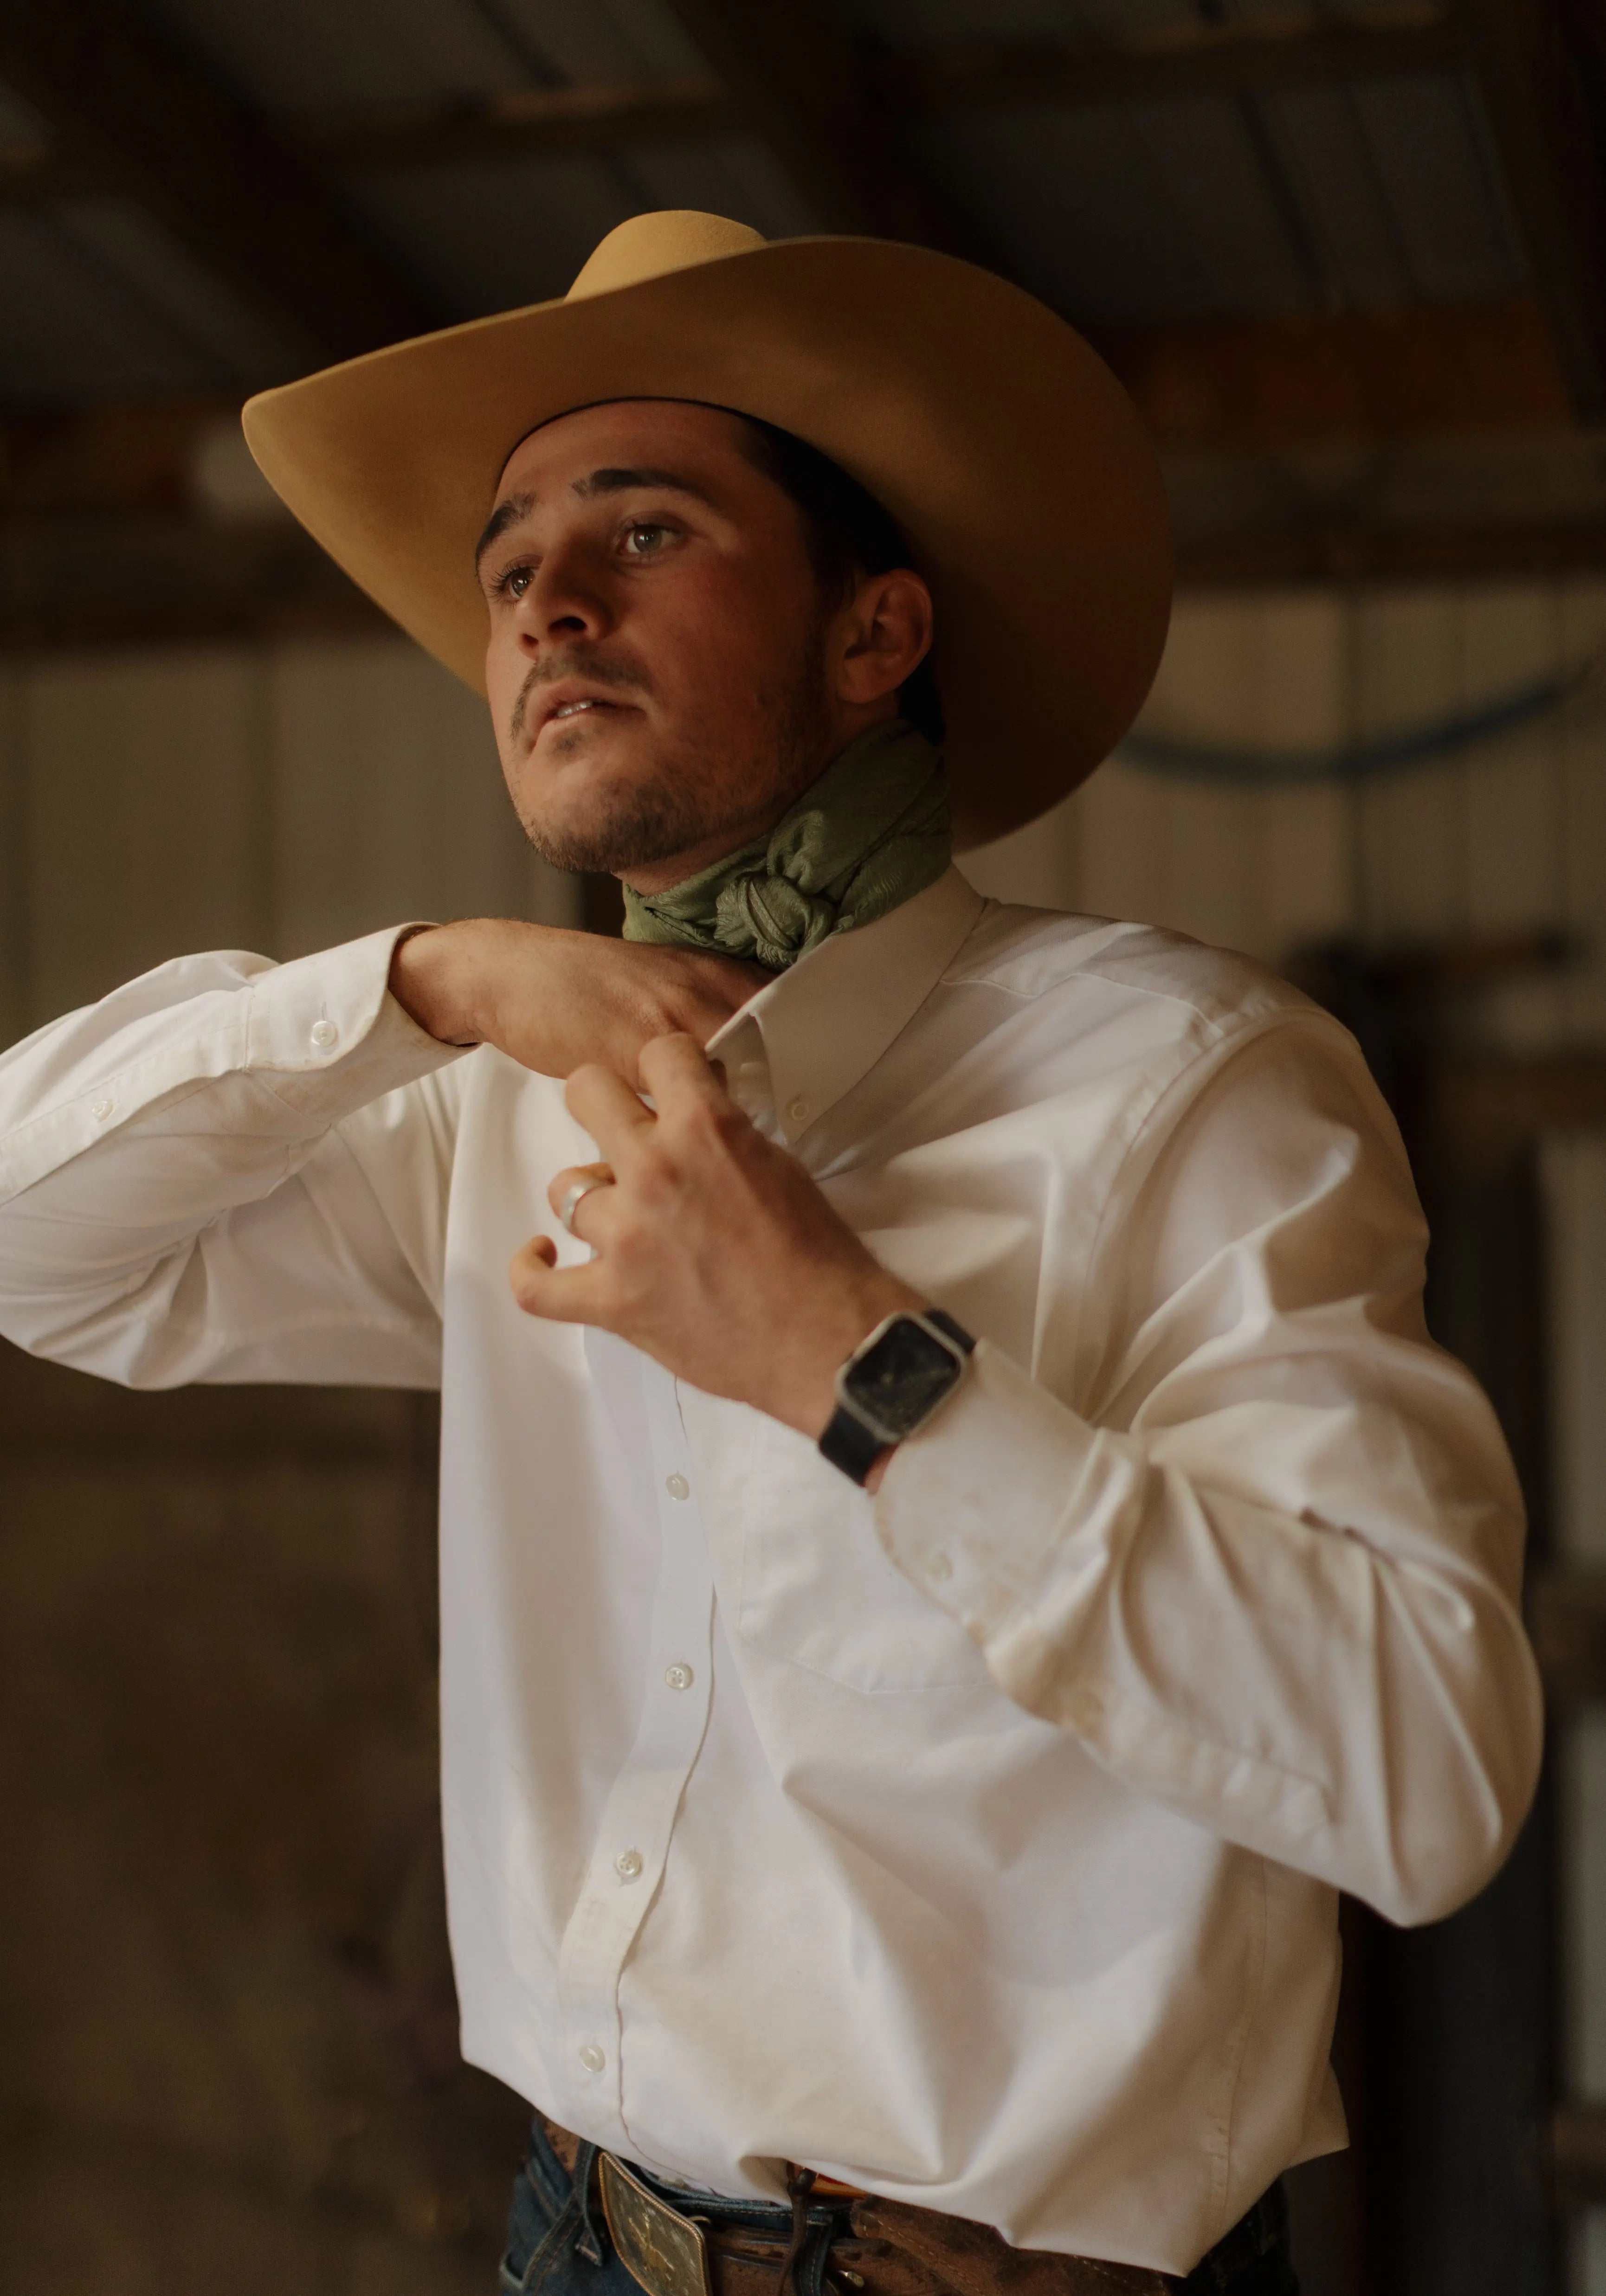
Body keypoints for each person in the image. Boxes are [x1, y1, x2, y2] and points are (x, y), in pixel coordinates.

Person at [0, 212, 1541, 2296]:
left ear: (875, 629)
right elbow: (31, 1239)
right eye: (507, 560)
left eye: (638, 534)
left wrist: (850, 1356)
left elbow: (1426, 1770)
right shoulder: (485, 1113)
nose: (539, 601)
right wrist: (424, 978)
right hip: (571, 2237)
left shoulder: (1188, 1085)